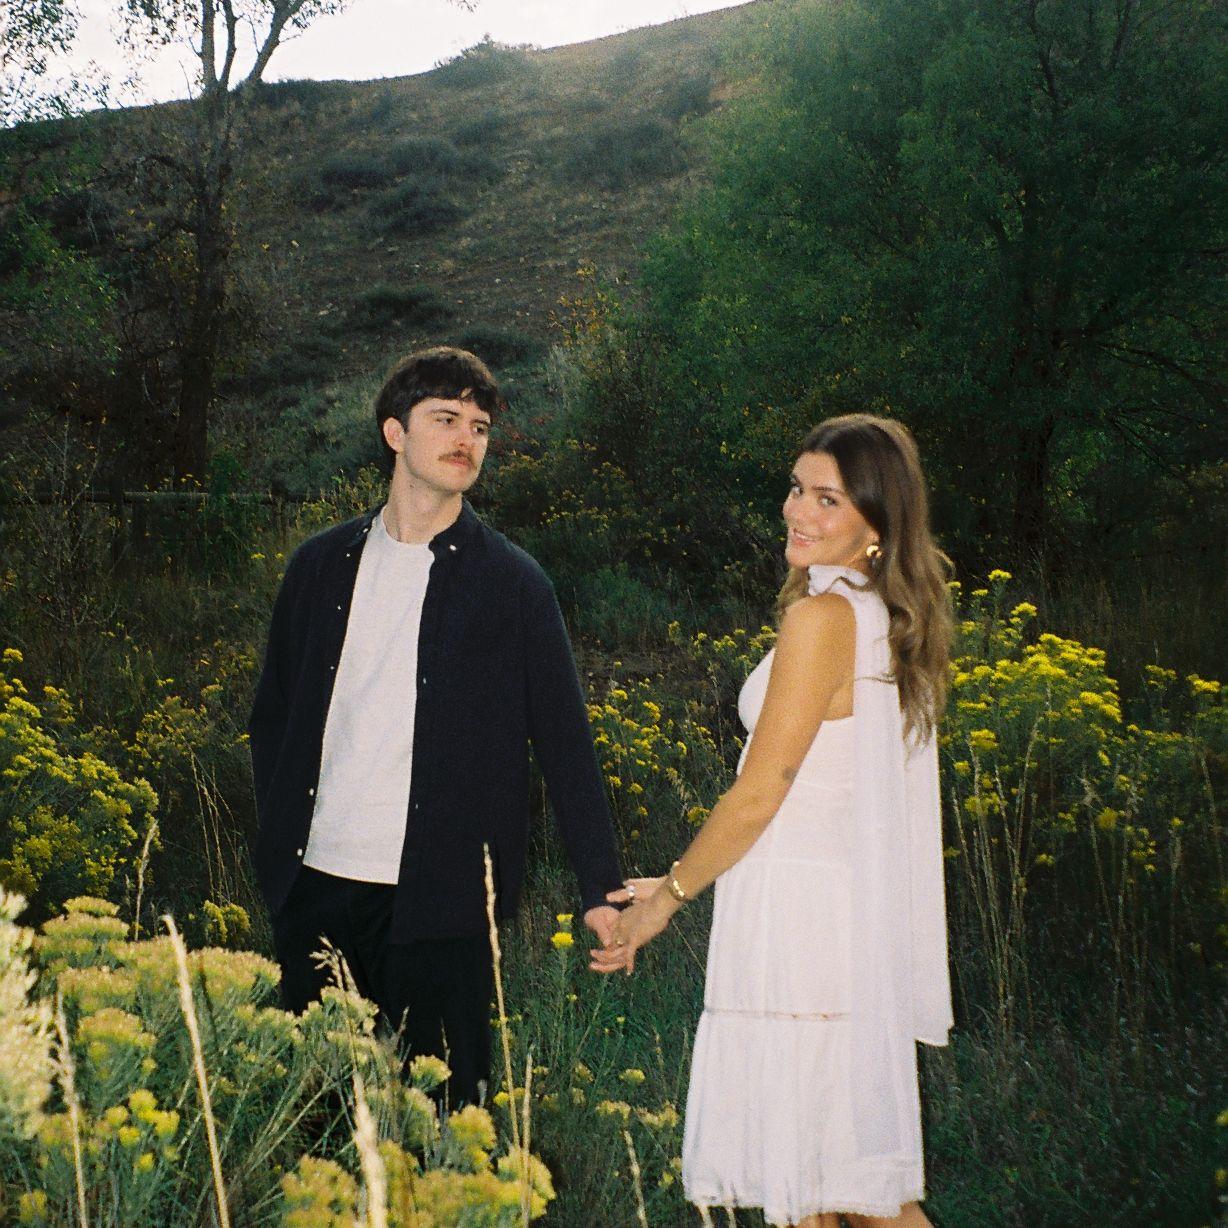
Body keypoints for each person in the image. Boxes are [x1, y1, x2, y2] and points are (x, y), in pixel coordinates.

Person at [593, 414, 953, 1228]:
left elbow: (762, 793)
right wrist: (683, 878)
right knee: (833, 1190)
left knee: (841, 1195)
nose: (796, 510)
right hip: (831, 916)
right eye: (797, 488)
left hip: (803, 934)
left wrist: (667, 900)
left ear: (876, 524)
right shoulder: (877, 614)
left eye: (827, 499)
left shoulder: (823, 620)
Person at [248, 345, 624, 1107]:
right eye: (446, 419)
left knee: (446, 1119)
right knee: (320, 1116)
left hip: (444, 899)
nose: (466, 440)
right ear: (395, 432)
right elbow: (273, 718)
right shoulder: (320, 566)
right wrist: (282, 844)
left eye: (479, 427)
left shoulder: (512, 583)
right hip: (316, 887)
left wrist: (602, 890)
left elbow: (566, 745)